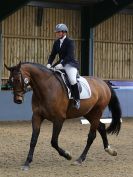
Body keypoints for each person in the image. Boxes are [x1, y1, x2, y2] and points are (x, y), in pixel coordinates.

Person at [46, 23, 80, 109]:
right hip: (60, 63)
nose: (57, 33)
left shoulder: (70, 42)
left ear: (64, 32)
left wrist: (62, 64)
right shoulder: (56, 42)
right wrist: (49, 63)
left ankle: (77, 99)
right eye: (57, 32)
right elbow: (52, 54)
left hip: (70, 64)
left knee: (72, 80)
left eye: (58, 32)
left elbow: (70, 56)